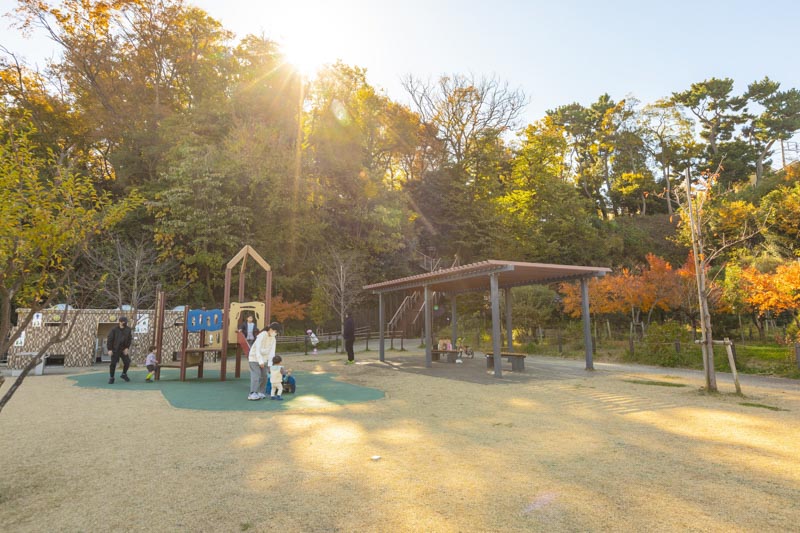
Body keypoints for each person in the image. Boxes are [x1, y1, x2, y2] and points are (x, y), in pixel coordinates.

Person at [247, 321, 281, 400]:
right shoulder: (262, 335)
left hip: (264, 359)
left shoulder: (273, 339)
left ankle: (260, 392)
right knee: (256, 375)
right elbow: (257, 350)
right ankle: (252, 393)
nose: (275, 333)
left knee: (265, 376)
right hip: (254, 358)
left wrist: (270, 364)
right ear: (271, 329)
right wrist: (260, 361)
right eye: (275, 331)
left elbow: (272, 352)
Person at [107, 316, 133, 384]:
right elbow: (110, 339)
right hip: (115, 349)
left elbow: (129, 339)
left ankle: (124, 374)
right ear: (120, 322)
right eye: (124, 322)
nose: (125, 323)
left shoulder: (128, 329)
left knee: (127, 362)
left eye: (126, 322)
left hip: (123, 349)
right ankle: (111, 378)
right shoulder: (114, 329)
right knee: (113, 364)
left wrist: (127, 348)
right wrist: (109, 349)